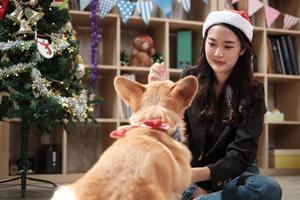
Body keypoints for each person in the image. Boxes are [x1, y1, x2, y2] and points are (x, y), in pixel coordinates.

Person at [148, 10, 282, 200]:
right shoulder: (190, 77)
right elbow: (173, 130)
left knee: (268, 188)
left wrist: (198, 176)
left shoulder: (253, 92)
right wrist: (160, 90)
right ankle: (203, 195)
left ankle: (200, 198)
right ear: (205, 43)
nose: (218, 53)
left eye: (228, 46)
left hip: (232, 174)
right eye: (212, 44)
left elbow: (243, 153)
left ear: (242, 49)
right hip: (191, 171)